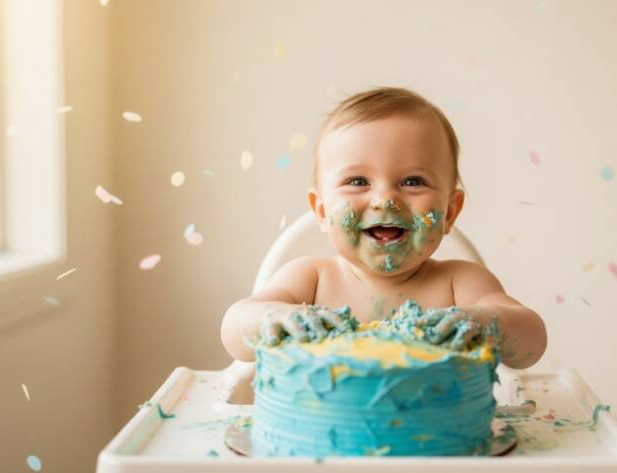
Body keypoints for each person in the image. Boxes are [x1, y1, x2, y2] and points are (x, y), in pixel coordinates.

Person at [221, 86, 546, 369]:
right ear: (321, 210)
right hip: (322, 435)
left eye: (412, 181)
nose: (385, 200)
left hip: (437, 436)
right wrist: (277, 319)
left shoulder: (459, 283)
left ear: (449, 211)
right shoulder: (311, 280)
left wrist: (487, 322)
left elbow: (532, 341)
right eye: (357, 181)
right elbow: (234, 329)